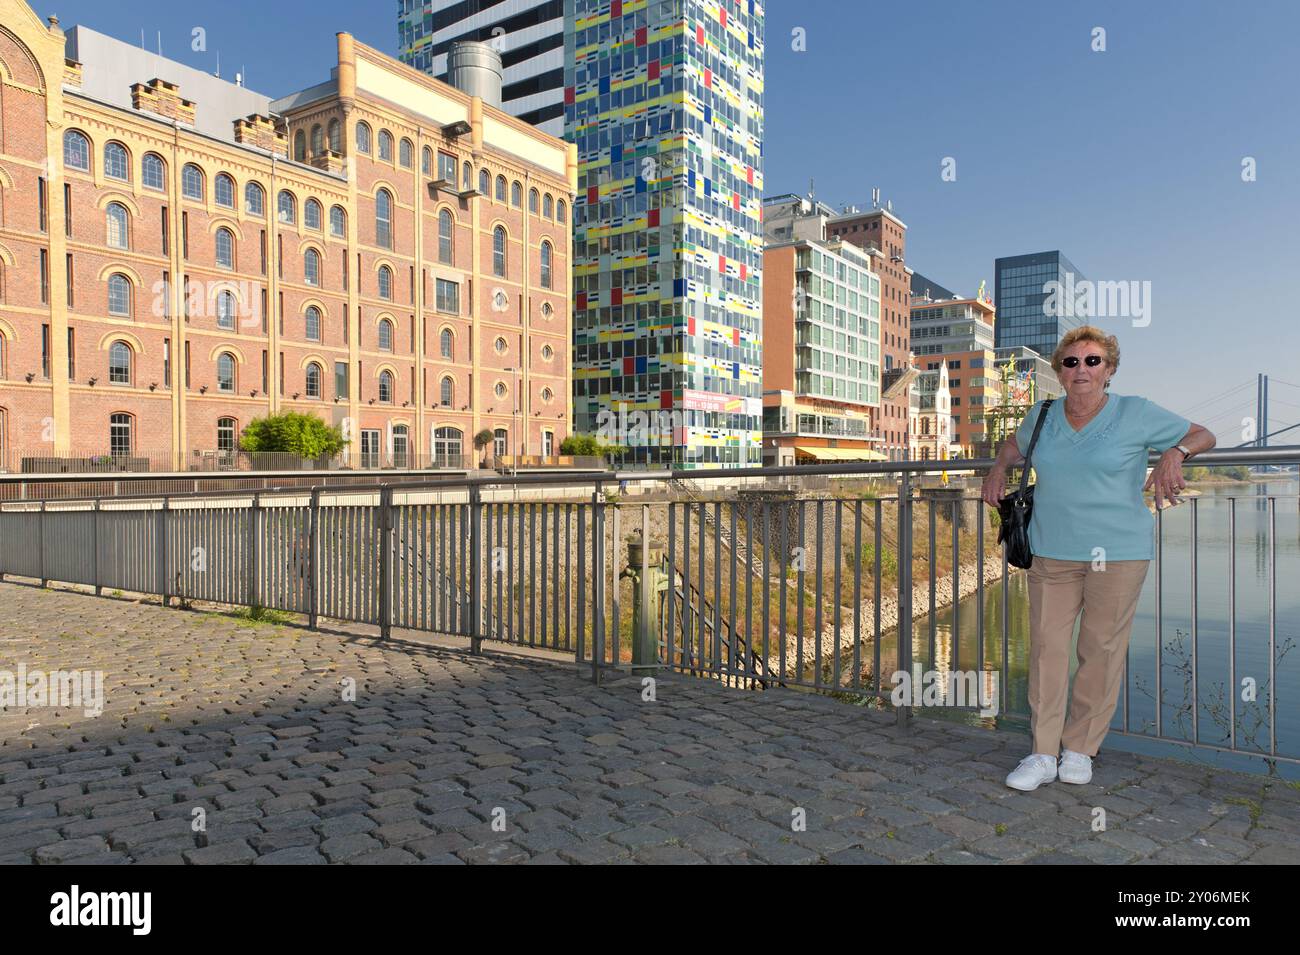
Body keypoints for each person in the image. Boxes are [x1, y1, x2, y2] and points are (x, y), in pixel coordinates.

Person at [980, 326, 1215, 791]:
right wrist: (999, 466)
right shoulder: (1042, 414)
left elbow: (1202, 433)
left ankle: (1080, 748)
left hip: (1120, 552)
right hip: (1052, 550)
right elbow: (1015, 445)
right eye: (1071, 362)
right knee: (1047, 650)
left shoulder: (1135, 411)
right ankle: (1042, 752)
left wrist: (1176, 451)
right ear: (1060, 372)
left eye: (1092, 361)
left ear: (1109, 370)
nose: (1081, 369)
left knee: (1099, 651)